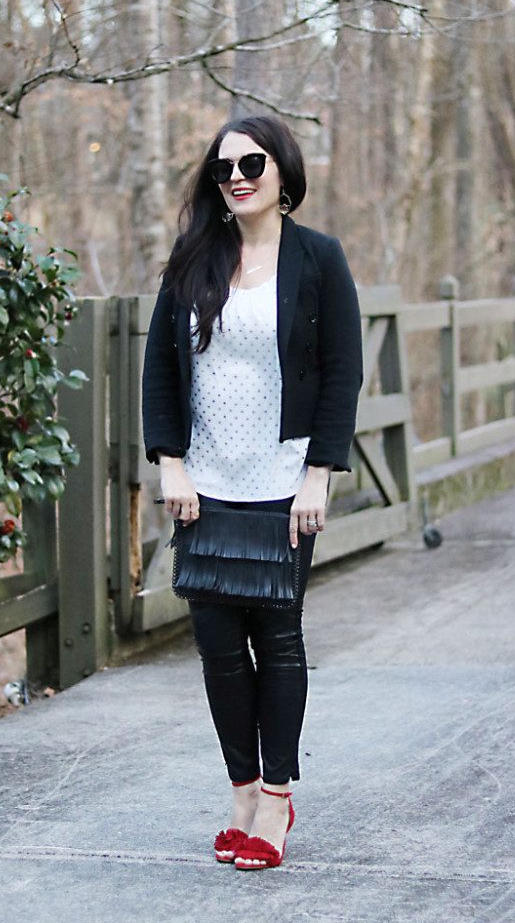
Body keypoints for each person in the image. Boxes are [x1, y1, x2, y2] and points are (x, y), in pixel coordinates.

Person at [141, 115, 363, 870]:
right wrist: (170, 463)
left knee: (276, 637)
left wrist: (317, 476)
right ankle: (240, 790)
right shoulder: (194, 258)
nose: (236, 176)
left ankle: (276, 800)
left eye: (251, 162)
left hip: (283, 482)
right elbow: (160, 371)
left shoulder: (319, 260)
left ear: (281, 171)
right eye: (222, 167)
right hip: (204, 483)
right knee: (216, 648)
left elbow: (341, 374)